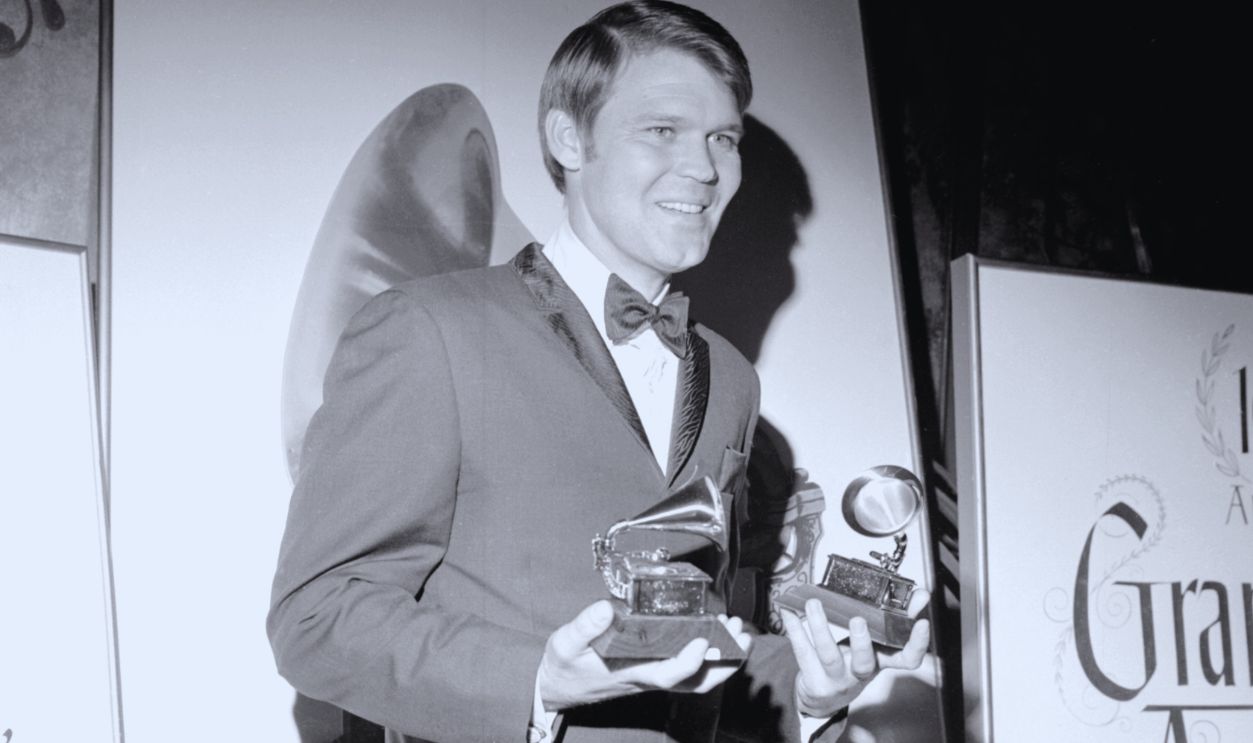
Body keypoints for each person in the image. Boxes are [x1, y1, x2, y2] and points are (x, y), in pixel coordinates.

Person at [267, 2, 930, 742]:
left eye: (722, 138)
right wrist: (536, 680)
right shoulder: (427, 330)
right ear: (567, 137)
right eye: (662, 130)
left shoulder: (734, 381)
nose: (705, 168)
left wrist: (810, 684)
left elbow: (687, 641)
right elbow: (317, 616)